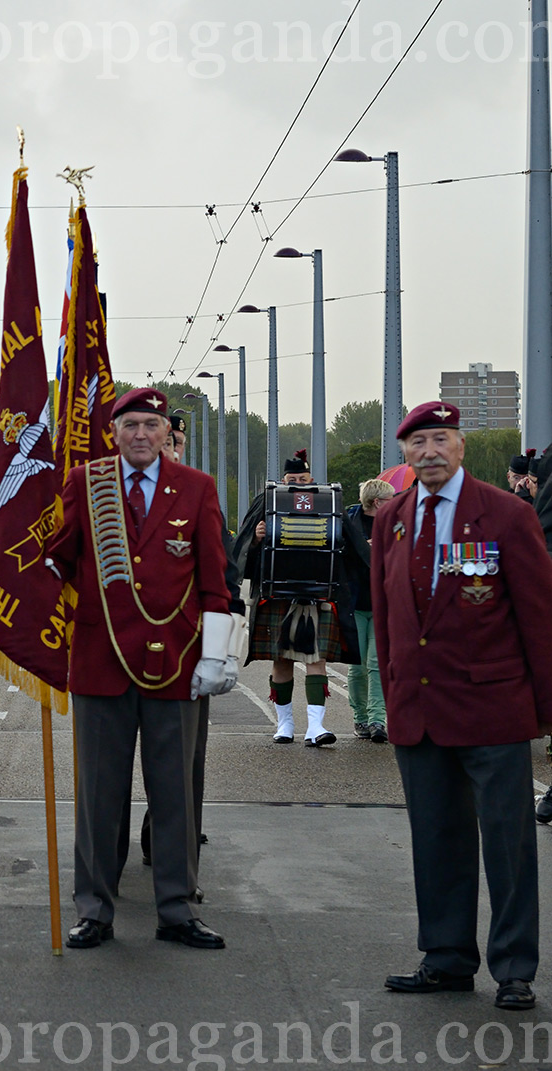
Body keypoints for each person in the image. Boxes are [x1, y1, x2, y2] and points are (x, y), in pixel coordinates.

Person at [372, 401, 552, 1011]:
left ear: (461, 447)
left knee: (508, 846)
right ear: (404, 453)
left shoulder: (507, 514)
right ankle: (446, 959)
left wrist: (547, 710)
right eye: (418, 442)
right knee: (437, 839)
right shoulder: (392, 518)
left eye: (441, 439)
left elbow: (539, 619)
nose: (429, 452)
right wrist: (394, 695)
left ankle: (514, 968)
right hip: (419, 713)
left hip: (492, 710)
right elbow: (392, 623)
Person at [46, 388, 236, 951]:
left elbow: (213, 580)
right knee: (99, 795)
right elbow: (61, 555)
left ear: (165, 432)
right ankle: (95, 909)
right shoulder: (87, 483)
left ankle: (176, 908)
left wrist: (214, 654)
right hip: (101, 660)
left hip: (175, 663)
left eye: (151, 425)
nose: (140, 435)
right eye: (130, 425)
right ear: (114, 433)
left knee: (175, 792)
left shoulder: (197, 489)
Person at [132, 411, 242, 890]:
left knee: (182, 765)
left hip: (182, 653)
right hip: (119, 650)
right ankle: (106, 861)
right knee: (105, 774)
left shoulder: (195, 494)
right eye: (163, 438)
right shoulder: (114, 494)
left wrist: (219, 651)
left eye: (173, 440)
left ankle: (174, 848)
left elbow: (225, 575)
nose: (166, 447)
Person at [232, 450, 360, 747]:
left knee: (317, 659)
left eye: (303, 479)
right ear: (284, 479)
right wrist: (257, 538)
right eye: (293, 479)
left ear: (311, 479)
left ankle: (316, 726)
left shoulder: (328, 501)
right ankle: (285, 724)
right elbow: (241, 547)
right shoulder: (269, 499)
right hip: (277, 594)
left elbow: (348, 546)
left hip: (316, 594)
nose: (299, 484)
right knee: (281, 661)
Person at [344, 478, 395, 743]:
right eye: (390, 499)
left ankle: (377, 719)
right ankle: (360, 717)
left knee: (378, 665)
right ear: (378, 502)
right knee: (358, 665)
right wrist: (365, 548)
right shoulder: (348, 522)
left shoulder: (396, 524)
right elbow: (339, 556)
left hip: (383, 603)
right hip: (355, 602)